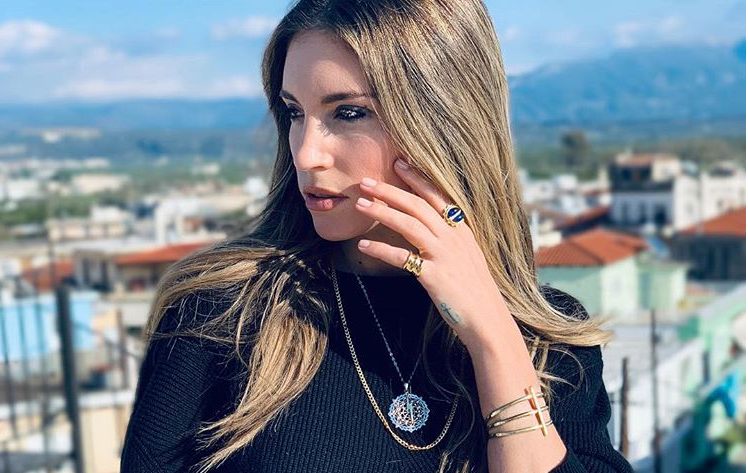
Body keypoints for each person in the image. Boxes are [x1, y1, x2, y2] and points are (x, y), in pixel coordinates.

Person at [121, 1, 635, 472]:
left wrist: (495, 340)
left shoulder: (552, 346)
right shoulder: (220, 314)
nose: (306, 154)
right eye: (295, 112)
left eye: (348, 113)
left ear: (444, 122)